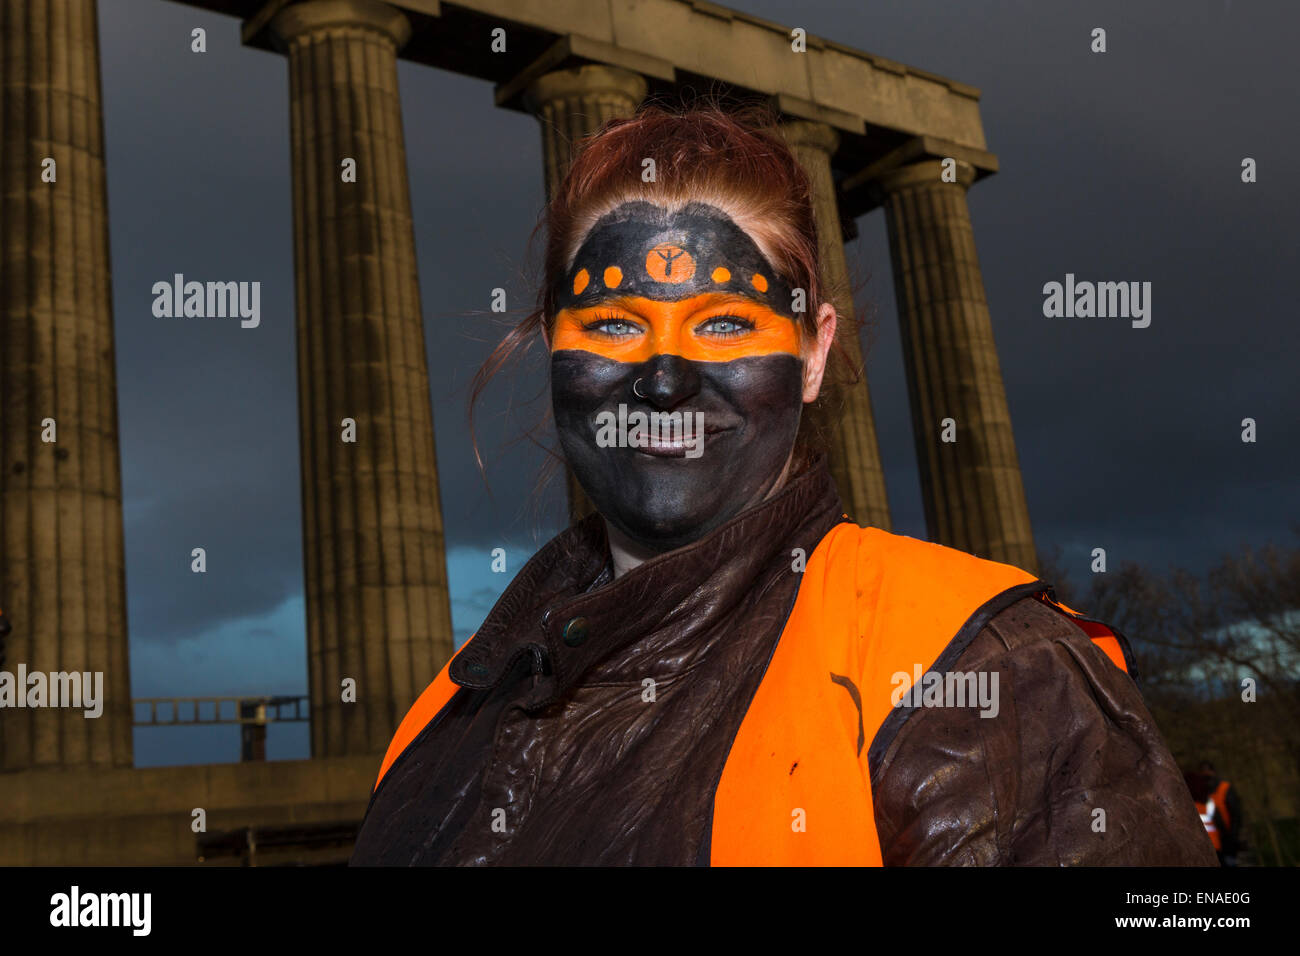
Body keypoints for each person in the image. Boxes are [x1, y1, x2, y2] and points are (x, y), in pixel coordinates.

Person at [350, 104, 1218, 866]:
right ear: (554, 351)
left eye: (724, 323)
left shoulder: (990, 674)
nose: (661, 381)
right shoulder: (447, 710)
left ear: (812, 351)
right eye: (612, 324)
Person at [1196, 761, 1244, 866]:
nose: (1206, 775)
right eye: (1203, 773)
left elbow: (1235, 815)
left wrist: (1233, 836)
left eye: (1208, 772)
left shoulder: (1224, 788)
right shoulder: (1199, 794)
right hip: (1213, 842)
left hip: (1227, 839)